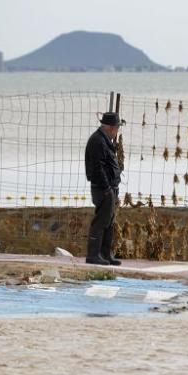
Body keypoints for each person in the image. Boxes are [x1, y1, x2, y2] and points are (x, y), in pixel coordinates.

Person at [84, 112, 123, 266]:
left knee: (109, 221)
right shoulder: (98, 141)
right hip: (103, 188)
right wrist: (106, 187)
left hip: (110, 188)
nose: (117, 131)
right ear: (111, 128)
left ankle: (105, 254)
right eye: (117, 128)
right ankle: (93, 255)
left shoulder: (104, 140)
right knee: (101, 221)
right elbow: (97, 167)